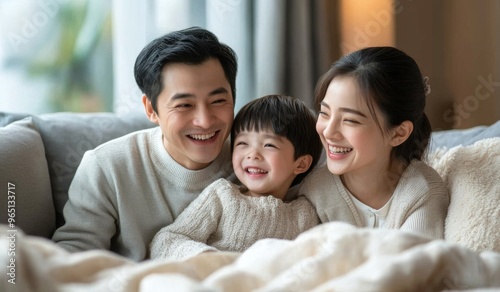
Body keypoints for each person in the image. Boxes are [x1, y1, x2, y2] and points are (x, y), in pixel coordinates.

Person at [52, 27, 238, 261]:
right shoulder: (106, 167)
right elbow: (70, 260)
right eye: (184, 105)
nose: (205, 120)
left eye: (218, 100)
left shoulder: (260, 159)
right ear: (151, 109)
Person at [298, 46, 449, 240]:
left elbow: (413, 265)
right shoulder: (313, 189)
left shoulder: (422, 191)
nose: (328, 131)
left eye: (350, 120)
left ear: (399, 133)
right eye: (324, 113)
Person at [149, 94, 323, 261]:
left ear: (300, 164)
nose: (252, 154)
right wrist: (209, 259)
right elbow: (167, 239)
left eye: (269, 145)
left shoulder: (304, 214)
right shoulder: (223, 195)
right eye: (242, 143)